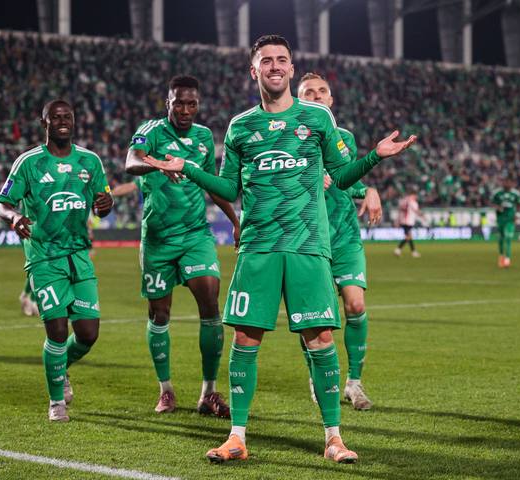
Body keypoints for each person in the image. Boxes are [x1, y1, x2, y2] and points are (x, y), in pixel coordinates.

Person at [144, 35, 416, 464]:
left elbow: (341, 177)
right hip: (259, 248)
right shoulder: (240, 126)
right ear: (254, 70)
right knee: (245, 338)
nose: (275, 66)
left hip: (307, 246)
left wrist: (374, 158)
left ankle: (334, 439)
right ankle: (236, 437)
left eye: (282, 60)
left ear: (291, 68)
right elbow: (229, 189)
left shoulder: (318, 117)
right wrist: (189, 169)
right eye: (266, 60)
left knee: (320, 338)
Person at [125, 75, 240, 417]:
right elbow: (131, 161)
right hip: (158, 239)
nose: (186, 110)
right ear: (168, 104)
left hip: (195, 235)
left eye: (192, 104)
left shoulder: (203, 137)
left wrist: (235, 220)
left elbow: (212, 185)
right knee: (159, 313)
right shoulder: (151, 131)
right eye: (179, 103)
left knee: (211, 302)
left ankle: (209, 392)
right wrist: (158, 164)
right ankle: (166, 390)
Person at [0, 99, 113, 422]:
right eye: (56, 117)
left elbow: (103, 200)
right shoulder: (29, 163)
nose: (63, 121)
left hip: (79, 256)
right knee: (58, 331)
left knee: (88, 334)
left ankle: (62, 369)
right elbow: (3, 203)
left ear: (74, 121)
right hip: (44, 258)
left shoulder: (90, 161)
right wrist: (14, 216)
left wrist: (106, 205)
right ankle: (56, 402)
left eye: (68, 117)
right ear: (44, 123)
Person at [297, 72, 381, 411]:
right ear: (299, 100)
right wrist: (310, 180)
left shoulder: (344, 138)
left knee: (356, 306)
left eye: (322, 91)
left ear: (331, 100)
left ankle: (354, 383)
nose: (317, 96)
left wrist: (368, 190)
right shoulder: (288, 138)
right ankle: (316, 377)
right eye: (309, 92)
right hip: (307, 239)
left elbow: (347, 181)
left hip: (344, 236)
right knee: (314, 318)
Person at [492, 178, 520, 268]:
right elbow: (493, 203)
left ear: (511, 183)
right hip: (500, 218)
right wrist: (498, 207)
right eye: (505, 182)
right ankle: (501, 256)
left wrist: (518, 214)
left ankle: (507, 259)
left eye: (509, 182)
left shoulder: (516, 193)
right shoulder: (497, 193)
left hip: (510, 218)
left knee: (508, 237)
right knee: (501, 237)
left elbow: (519, 204)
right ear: (503, 183)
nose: (507, 184)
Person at [394, 190, 423, 257]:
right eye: (415, 195)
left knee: (409, 237)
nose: (416, 197)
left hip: (403, 221)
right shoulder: (412, 202)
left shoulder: (403, 201)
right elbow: (416, 210)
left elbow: (400, 210)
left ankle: (406, 251)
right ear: (413, 195)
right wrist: (422, 215)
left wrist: (397, 221)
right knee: (408, 237)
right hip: (408, 221)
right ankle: (400, 250)